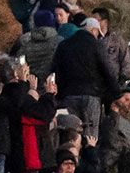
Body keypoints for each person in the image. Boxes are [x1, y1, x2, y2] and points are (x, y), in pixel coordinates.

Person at [53, 8, 123, 139]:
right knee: (90, 135)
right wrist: (117, 93)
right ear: (93, 30)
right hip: (91, 97)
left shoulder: (64, 45)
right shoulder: (97, 46)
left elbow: (56, 70)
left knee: (71, 133)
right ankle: (89, 155)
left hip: (69, 95)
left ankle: (73, 156)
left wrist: (60, 94)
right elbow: (108, 71)